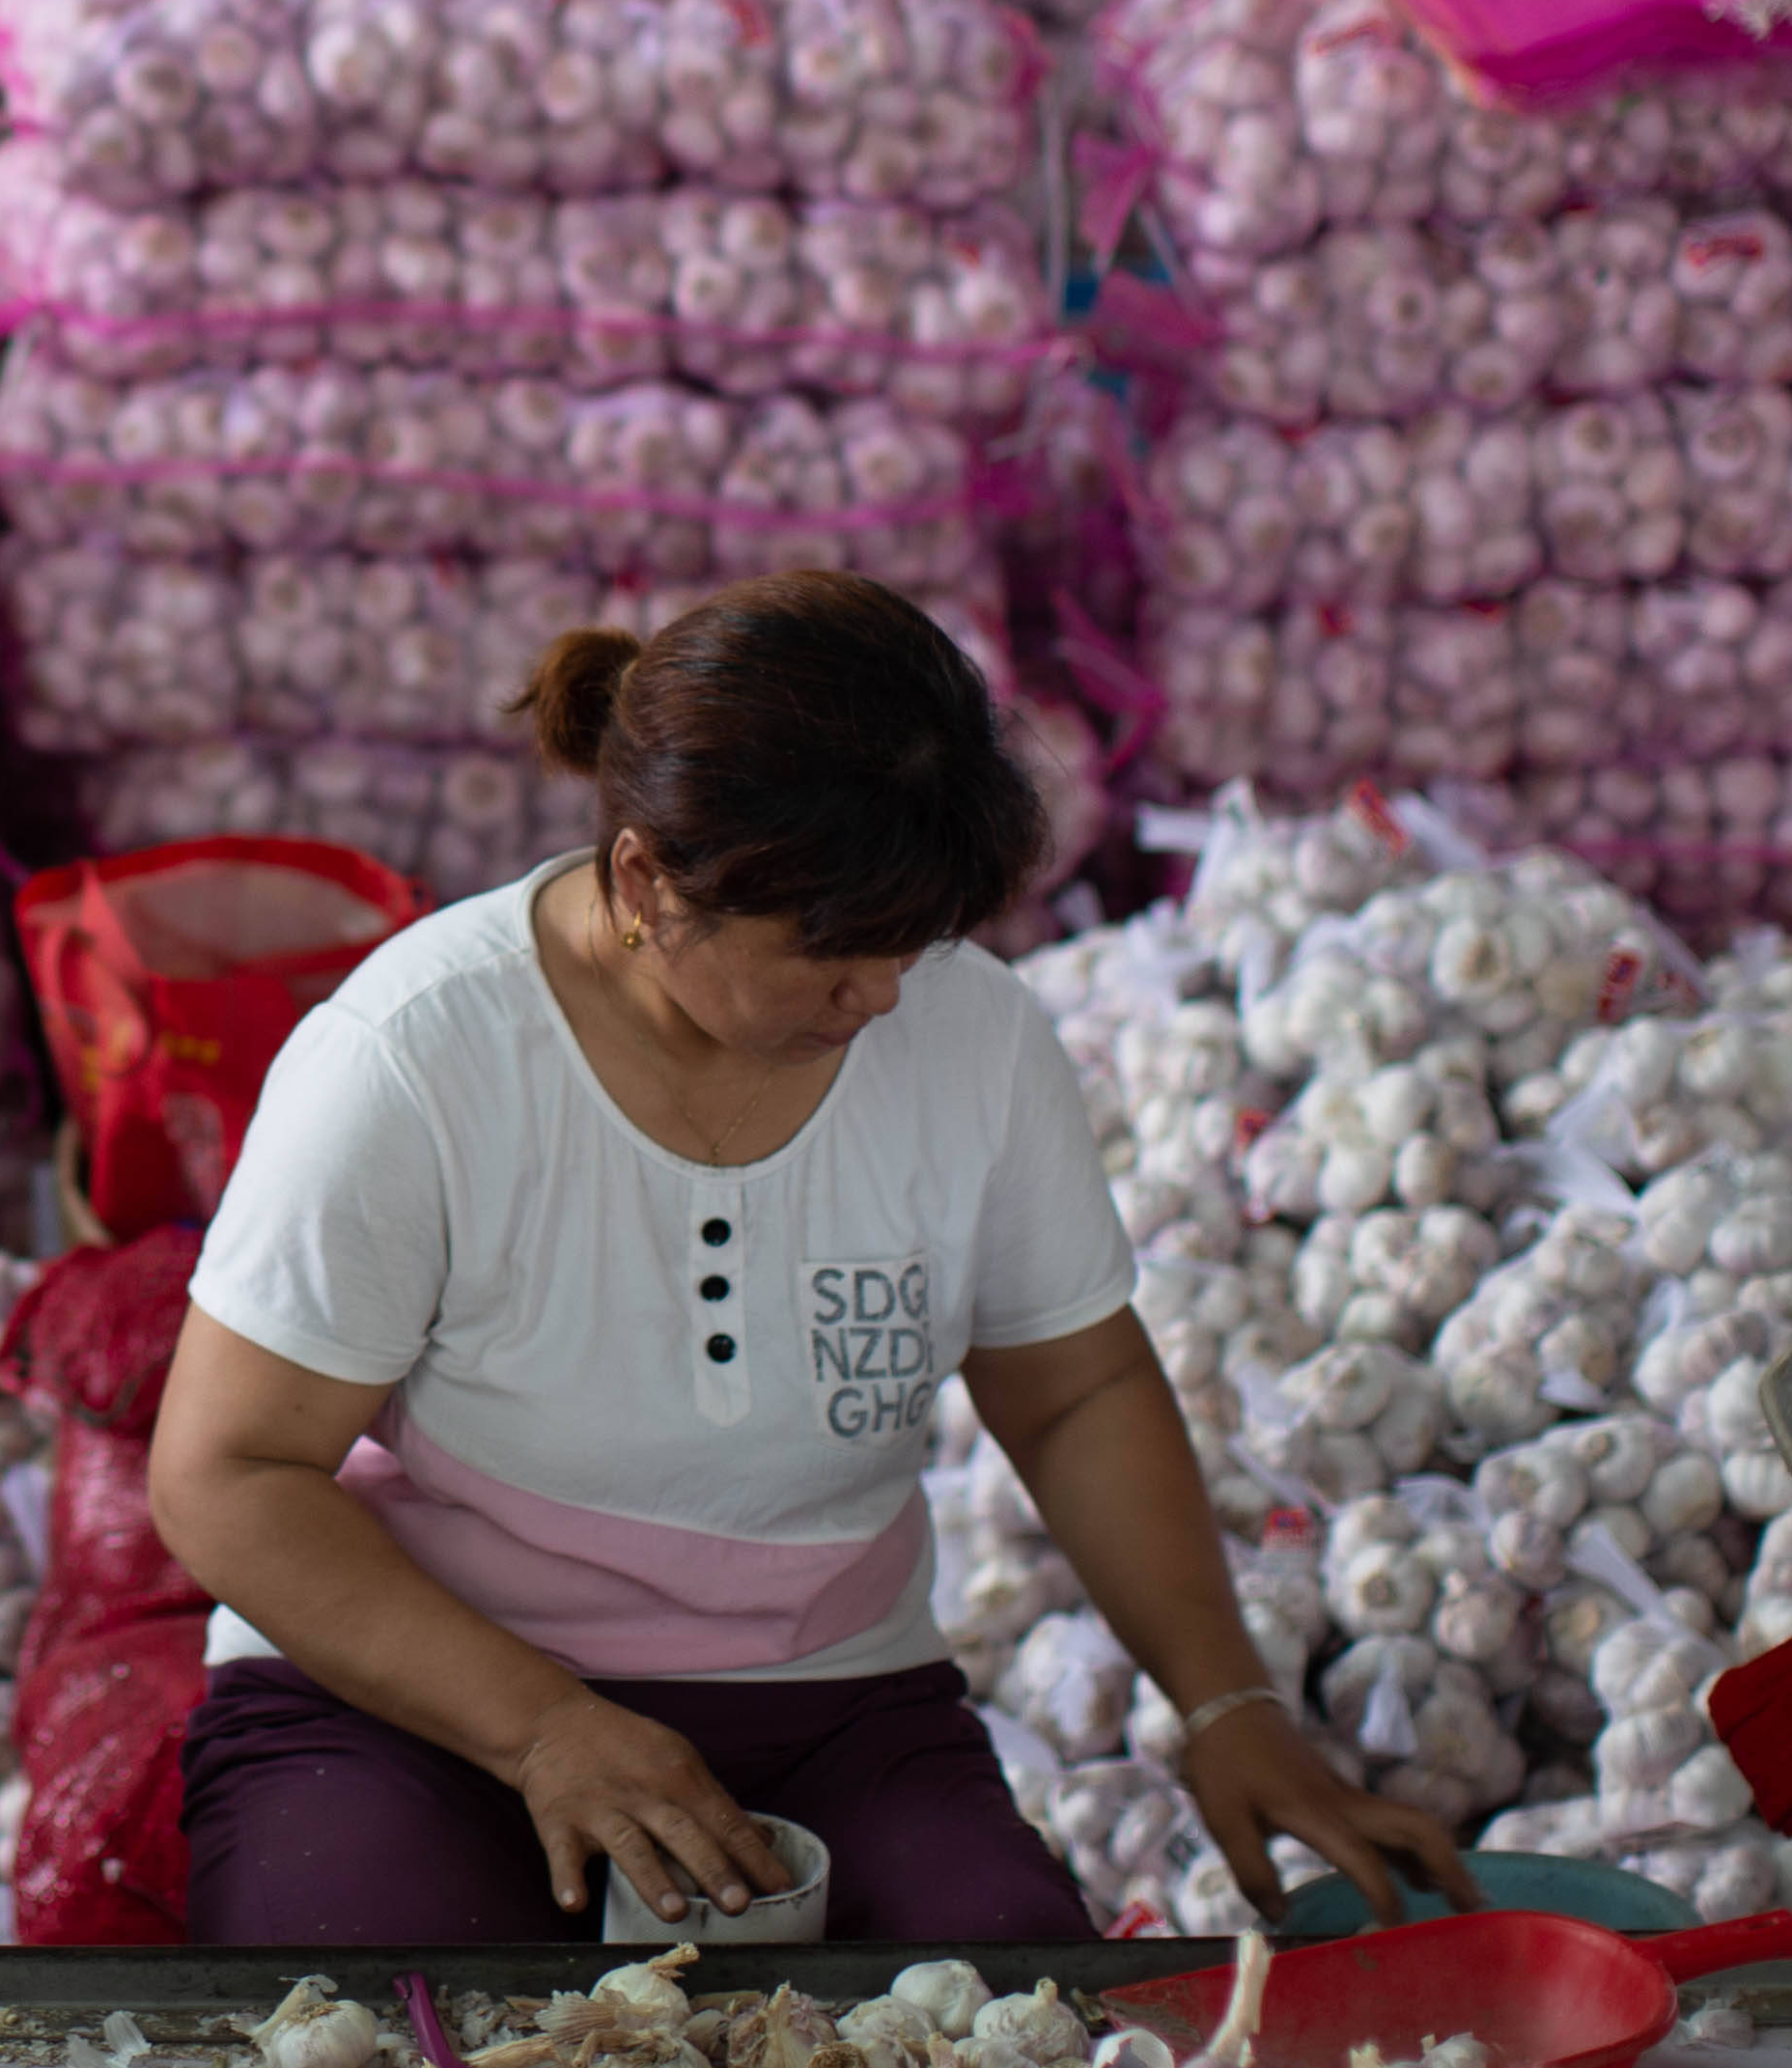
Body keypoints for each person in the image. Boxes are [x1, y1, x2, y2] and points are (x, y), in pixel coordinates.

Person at [152, 572, 1474, 1945]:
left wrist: (1225, 1704)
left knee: (1011, 2053)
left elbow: (1070, 1389)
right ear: (642, 885)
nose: (884, 995)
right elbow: (224, 1473)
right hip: (408, 1697)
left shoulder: (971, 1035)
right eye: (832, 953)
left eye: (916, 941)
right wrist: (541, 1726)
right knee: (367, 2040)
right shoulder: (416, 1058)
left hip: (832, 1701)